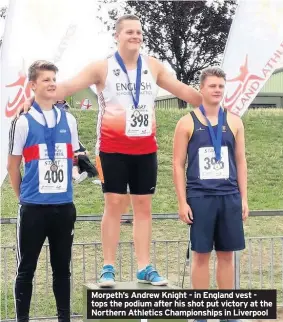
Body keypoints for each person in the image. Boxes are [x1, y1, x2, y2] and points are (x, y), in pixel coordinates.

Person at [18, 14, 202, 287]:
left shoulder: (153, 66)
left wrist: (207, 97)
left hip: (145, 149)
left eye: (139, 32)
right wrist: (33, 98)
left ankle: (144, 266)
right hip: (112, 149)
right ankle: (108, 267)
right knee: (114, 205)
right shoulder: (101, 68)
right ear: (117, 35)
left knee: (143, 207)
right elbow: (67, 87)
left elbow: (184, 91)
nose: (135, 36)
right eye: (129, 32)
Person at [173, 66, 248, 322]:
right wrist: (182, 202)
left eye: (220, 86)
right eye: (212, 86)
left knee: (227, 255)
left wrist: (244, 198)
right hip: (200, 197)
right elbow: (177, 164)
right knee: (201, 255)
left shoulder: (235, 121)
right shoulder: (186, 122)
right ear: (201, 89)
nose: (217, 90)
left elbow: (241, 162)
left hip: (229, 196)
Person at [7, 60, 80, 322]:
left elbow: (73, 158)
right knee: (26, 269)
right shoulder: (23, 122)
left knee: (62, 270)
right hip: (34, 209)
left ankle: (64, 319)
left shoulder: (69, 120)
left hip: (63, 207)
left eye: (54, 79)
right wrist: (23, 199)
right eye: (46, 79)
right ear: (33, 85)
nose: (51, 84)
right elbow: (13, 166)